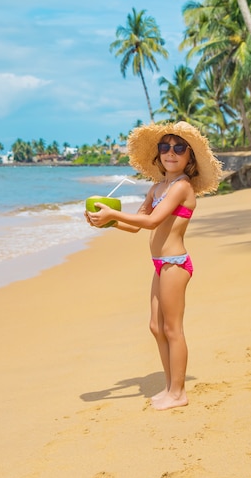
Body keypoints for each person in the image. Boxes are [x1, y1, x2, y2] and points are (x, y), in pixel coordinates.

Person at [85, 121, 222, 410]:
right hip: (160, 264)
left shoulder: (182, 187)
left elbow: (152, 221)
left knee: (172, 328)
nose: (170, 153)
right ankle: (170, 387)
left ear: (190, 158)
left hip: (175, 264)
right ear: (158, 154)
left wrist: (113, 213)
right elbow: (137, 228)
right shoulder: (158, 187)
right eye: (165, 147)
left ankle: (178, 392)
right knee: (156, 327)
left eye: (179, 148)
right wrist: (107, 221)